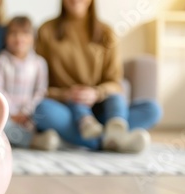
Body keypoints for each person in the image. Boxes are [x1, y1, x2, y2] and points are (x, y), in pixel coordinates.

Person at [35, 0, 162, 153]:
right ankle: (113, 140)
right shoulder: (46, 30)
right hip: (66, 108)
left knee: (152, 109)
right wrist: (66, 94)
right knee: (41, 111)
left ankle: (89, 137)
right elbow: (38, 86)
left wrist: (96, 93)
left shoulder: (106, 32)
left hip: (102, 107)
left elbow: (115, 82)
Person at [0, 16, 61, 151]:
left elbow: (41, 91)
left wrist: (26, 111)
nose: (19, 38)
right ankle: (26, 140)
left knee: (46, 116)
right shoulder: (0, 61)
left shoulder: (39, 63)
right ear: (5, 38)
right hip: (7, 114)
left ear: (33, 38)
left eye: (25, 33)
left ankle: (29, 137)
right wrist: (12, 112)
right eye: (13, 33)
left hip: (30, 115)